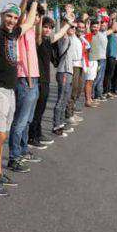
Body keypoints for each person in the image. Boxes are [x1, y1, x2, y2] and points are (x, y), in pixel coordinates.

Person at [0, 0, 37, 195]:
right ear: (2, 16)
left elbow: (30, 20)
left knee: (3, 136)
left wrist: (34, 1)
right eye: (9, 16)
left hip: (9, 90)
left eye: (15, 17)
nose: (12, 20)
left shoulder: (14, 33)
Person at [7, 0, 44, 173]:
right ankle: (14, 157)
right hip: (24, 78)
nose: (36, 18)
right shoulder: (20, 28)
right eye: (35, 14)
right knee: (20, 120)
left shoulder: (32, 31)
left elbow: (37, 33)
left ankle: (22, 150)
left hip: (34, 77)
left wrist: (40, 13)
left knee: (28, 119)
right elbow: (23, 15)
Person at [28, 13, 70, 148]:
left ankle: (38, 133)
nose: (47, 29)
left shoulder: (49, 40)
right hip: (37, 79)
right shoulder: (37, 39)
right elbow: (38, 31)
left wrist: (68, 23)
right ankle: (31, 137)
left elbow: (60, 33)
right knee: (36, 109)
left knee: (41, 108)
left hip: (45, 79)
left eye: (50, 27)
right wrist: (41, 16)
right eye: (45, 27)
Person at [52, 10, 79, 137]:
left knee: (65, 100)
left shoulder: (72, 38)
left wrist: (72, 17)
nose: (73, 28)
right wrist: (67, 19)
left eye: (74, 27)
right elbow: (64, 27)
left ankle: (61, 124)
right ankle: (56, 126)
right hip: (63, 72)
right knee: (61, 99)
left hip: (69, 72)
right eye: (71, 26)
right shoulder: (63, 37)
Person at [65, 15, 88, 122]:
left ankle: (72, 112)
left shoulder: (82, 39)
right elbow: (68, 25)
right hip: (73, 66)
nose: (81, 29)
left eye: (83, 27)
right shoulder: (72, 36)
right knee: (73, 90)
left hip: (80, 66)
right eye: (79, 27)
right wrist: (70, 15)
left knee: (78, 90)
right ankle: (68, 115)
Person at [84, 20, 102, 107]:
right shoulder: (89, 35)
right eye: (94, 27)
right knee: (89, 81)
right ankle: (88, 100)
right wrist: (87, 28)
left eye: (97, 27)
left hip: (95, 61)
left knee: (91, 81)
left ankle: (90, 99)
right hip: (90, 61)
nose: (96, 28)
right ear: (90, 27)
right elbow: (87, 38)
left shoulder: (97, 35)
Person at [102, 19, 117, 97]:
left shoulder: (115, 34)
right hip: (109, 56)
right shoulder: (109, 33)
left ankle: (108, 90)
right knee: (108, 74)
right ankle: (105, 91)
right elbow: (107, 32)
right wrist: (112, 21)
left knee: (111, 74)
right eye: (116, 25)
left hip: (113, 56)